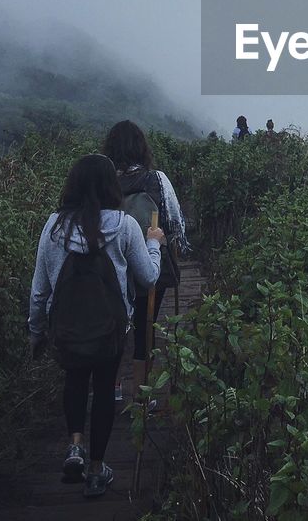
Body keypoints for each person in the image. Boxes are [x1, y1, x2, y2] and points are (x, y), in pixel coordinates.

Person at [29, 153, 164, 498]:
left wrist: (36, 330)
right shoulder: (124, 225)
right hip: (111, 329)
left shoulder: (54, 225)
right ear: (110, 186)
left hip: (67, 328)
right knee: (104, 392)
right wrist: (154, 242)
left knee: (75, 381)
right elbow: (148, 278)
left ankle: (75, 445)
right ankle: (96, 470)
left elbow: (40, 287)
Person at [101, 120, 192, 406]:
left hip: (112, 266)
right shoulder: (157, 180)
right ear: (142, 148)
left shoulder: (104, 182)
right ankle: (142, 394)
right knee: (145, 325)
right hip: (150, 261)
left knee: (113, 327)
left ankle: (112, 388)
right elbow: (176, 223)